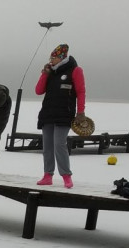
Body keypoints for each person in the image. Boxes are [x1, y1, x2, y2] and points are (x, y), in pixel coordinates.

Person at [35, 44, 87, 189]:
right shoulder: (50, 71)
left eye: (54, 58)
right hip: (48, 113)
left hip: (65, 113)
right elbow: (38, 91)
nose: (51, 60)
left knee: (59, 144)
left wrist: (80, 112)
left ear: (62, 58)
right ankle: (47, 175)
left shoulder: (75, 70)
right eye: (50, 58)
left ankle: (66, 176)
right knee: (47, 146)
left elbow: (81, 92)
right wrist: (44, 73)